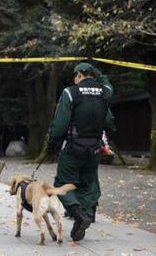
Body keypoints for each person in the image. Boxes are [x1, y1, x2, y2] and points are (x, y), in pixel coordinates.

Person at [48, 62, 113, 241]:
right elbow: (109, 121)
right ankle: (82, 218)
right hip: (94, 149)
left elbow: (60, 124)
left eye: (75, 77)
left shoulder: (70, 92)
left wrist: (53, 143)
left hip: (73, 149)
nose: (74, 80)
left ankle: (79, 216)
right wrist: (96, 70)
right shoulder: (105, 92)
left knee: (62, 183)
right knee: (86, 186)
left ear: (79, 75)